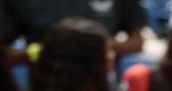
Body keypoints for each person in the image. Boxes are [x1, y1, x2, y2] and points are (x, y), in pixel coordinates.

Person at [0, 0, 146, 63]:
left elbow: (137, 42)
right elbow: (4, 53)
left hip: (102, 90)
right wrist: (41, 51)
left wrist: (101, 46)